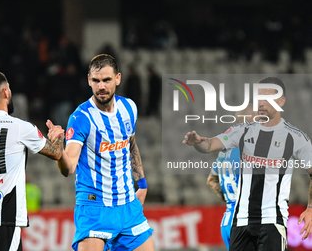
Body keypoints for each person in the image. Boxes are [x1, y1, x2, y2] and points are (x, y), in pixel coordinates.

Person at [183, 77, 312, 251]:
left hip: (272, 221)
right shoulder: (241, 131)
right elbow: (210, 145)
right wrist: (198, 142)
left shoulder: (295, 138)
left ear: (281, 101)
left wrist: (310, 207)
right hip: (241, 221)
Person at [53, 54, 154, 251]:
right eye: (96, 81)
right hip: (94, 208)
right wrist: (58, 152)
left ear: (118, 78)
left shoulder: (129, 108)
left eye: (107, 80)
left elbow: (130, 144)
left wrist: (141, 183)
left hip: (128, 206)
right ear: (89, 80)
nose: (101, 87)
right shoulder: (81, 117)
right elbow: (69, 168)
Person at [0, 70, 64, 251]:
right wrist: (58, 137)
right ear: (6, 92)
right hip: (5, 221)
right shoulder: (20, 127)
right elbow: (57, 154)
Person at [206, 105, 256, 250]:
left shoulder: (225, 150)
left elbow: (211, 180)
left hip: (228, 221)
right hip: (247, 222)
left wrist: (231, 201)